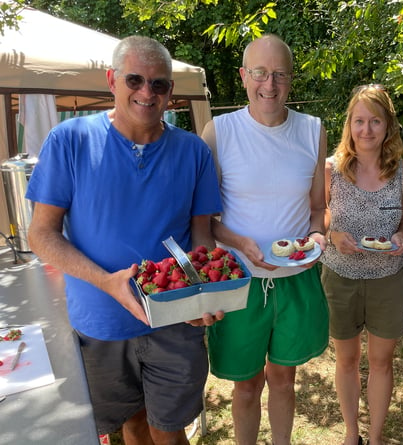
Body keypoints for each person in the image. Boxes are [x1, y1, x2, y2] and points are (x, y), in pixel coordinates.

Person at [25, 36, 223, 445]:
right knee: (131, 424)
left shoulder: (193, 152)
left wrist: (204, 293)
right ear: (112, 80)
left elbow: (201, 235)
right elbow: (41, 234)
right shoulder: (70, 141)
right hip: (102, 321)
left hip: (173, 320)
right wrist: (106, 282)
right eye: (135, 79)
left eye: (160, 84)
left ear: (171, 91)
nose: (147, 92)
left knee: (169, 432)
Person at [201, 34, 330, 445]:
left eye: (279, 75)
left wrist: (317, 238)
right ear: (243, 76)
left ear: (291, 79)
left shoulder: (312, 130)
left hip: (294, 279)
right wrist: (240, 242)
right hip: (239, 281)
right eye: (259, 73)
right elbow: (205, 218)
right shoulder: (218, 132)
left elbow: (315, 210)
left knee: (284, 380)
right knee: (246, 385)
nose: (269, 85)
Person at [320, 84, 403, 445]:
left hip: (387, 279)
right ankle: (351, 433)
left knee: (381, 361)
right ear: (349, 125)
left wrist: (402, 236)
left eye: (375, 121)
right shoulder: (330, 168)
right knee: (346, 359)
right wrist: (333, 235)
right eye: (359, 121)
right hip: (339, 275)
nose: (367, 130)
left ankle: (375, 437)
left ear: (388, 125)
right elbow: (321, 213)